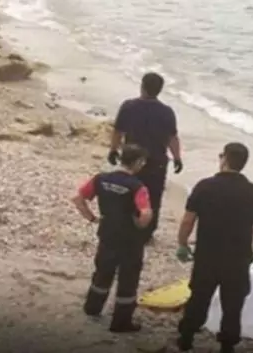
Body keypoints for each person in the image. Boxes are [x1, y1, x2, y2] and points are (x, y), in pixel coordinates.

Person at [175, 142, 253, 353]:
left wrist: (182, 244)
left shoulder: (205, 186)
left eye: (221, 155)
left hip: (207, 255)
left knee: (199, 297)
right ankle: (227, 345)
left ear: (225, 159)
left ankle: (186, 337)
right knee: (233, 304)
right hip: (238, 259)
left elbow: (188, 220)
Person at [72, 144, 152, 333]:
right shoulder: (137, 187)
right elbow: (145, 214)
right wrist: (141, 225)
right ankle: (121, 322)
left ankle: (92, 307)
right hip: (130, 239)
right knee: (128, 279)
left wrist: (92, 218)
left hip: (107, 233)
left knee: (102, 271)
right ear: (138, 162)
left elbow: (77, 198)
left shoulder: (101, 179)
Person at [108, 72, 183, 244]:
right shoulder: (166, 112)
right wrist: (177, 158)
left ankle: (126, 226)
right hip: (156, 160)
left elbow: (118, 131)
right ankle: (147, 232)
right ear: (160, 90)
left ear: (142, 86)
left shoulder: (128, 106)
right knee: (153, 196)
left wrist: (113, 150)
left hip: (131, 158)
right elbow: (172, 137)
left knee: (128, 191)